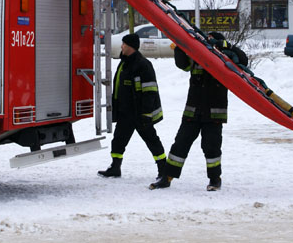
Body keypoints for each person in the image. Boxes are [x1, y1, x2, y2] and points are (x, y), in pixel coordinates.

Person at [149, 32, 248, 191]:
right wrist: (179, 46)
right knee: (180, 145)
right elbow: (183, 64)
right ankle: (167, 177)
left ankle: (215, 179)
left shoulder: (226, 59)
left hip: (214, 113)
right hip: (193, 111)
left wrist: (227, 46)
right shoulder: (198, 56)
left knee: (211, 148)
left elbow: (243, 60)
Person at [98, 33, 167, 180]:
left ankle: (163, 169)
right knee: (118, 140)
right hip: (126, 113)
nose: (122, 46)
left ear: (130, 47)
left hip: (140, 113)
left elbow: (150, 91)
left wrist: (146, 113)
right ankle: (115, 167)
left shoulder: (143, 65)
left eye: (124, 44)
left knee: (152, 140)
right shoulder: (124, 63)